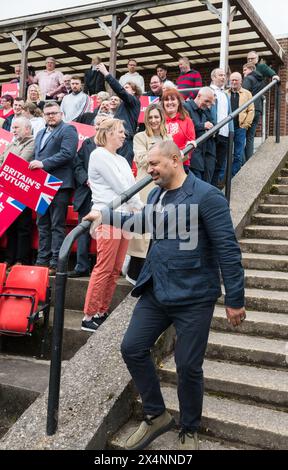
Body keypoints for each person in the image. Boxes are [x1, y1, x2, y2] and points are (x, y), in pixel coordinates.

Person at [83, 140, 245, 450]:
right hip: (157, 289)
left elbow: (227, 248)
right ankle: (156, 415)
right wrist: (106, 215)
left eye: (154, 164)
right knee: (132, 347)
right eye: (147, 165)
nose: (149, 170)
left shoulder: (207, 196)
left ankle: (189, 427)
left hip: (194, 295)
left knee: (187, 366)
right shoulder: (156, 193)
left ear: (175, 159)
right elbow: (144, 222)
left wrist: (235, 299)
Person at [81, 118, 142, 332]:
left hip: (124, 217)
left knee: (116, 269)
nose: (124, 135)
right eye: (120, 131)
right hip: (108, 216)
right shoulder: (98, 154)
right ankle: (89, 315)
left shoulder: (123, 160)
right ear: (107, 133)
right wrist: (139, 207)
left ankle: (102, 311)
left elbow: (132, 185)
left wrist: (137, 207)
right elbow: (121, 187)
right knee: (104, 267)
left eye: (124, 131)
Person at [29, 101, 78, 275]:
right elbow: (36, 155)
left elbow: (67, 154)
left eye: (54, 113)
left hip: (60, 185)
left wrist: (42, 164)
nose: (51, 116)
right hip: (42, 185)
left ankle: (56, 263)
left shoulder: (68, 130)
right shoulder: (40, 132)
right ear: (43, 115)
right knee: (42, 223)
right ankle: (42, 260)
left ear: (61, 113)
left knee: (57, 225)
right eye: (47, 113)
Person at [127, 103, 172, 284]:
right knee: (142, 229)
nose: (154, 120)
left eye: (156, 117)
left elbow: (175, 160)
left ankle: (155, 270)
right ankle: (134, 271)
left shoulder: (168, 137)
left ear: (161, 118)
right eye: (150, 117)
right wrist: (162, 154)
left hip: (164, 186)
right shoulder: (140, 136)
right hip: (145, 186)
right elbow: (142, 160)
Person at [68, 113, 110, 278]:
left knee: (106, 232)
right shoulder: (87, 143)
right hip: (86, 195)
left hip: (107, 195)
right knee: (83, 231)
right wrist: (86, 180)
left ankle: (103, 269)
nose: (99, 127)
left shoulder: (115, 144)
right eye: (97, 124)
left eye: (103, 124)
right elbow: (77, 164)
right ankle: (81, 267)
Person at [0, 117, 34, 267]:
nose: (13, 131)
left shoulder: (32, 142)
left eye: (16, 128)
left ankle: (21, 260)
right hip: (9, 189)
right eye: (12, 128)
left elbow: (20, 162)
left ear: (27, 129)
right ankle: (9, 258)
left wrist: (5, 165)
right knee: (11, 227)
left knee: (23, 227)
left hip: (23, 191)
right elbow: (1, 160)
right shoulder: (13, 143)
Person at [96, 62, 141, 166]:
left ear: (134, 91)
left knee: (122, 172)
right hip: (115, 139)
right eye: (124, 87)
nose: (124, 89)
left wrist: (106, 74)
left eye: (127, 88)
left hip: (125, 141)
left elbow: (120, 91)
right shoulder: (123, 105)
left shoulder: (134, 101)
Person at [223, 72, 254, 177]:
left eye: (236, 80)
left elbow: (251, 110)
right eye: (232, 80)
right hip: (227, 128)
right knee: (225, 153)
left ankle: (233, 177)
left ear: (241, 81)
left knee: (238, 154)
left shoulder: (247, 93)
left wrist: (245, 125)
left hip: (240, 128)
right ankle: (222, 177)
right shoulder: (225, 93)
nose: (234, 82)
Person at [185, 87, 216, 182]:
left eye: (210, 103)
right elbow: (184, 128)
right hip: (193, 157)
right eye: (206, 101)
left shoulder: (204, 110)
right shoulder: (186, 107)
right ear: (198, 96)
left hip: (205, 155)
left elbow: (213, 125)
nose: (208, 105)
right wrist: (203, 126)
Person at [210, 68, 233, 187]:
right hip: (213, 133)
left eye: (224, 75)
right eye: (220, 75)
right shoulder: (208, 91)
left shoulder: (225, 94)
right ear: (213, 77)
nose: (223, 77)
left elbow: (230, 114)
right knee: (210, 164)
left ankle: (214, 188)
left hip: (224, 134)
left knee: (220, 165)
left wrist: (231, 131)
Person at [161, 88, 196, 169]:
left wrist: (177, 155)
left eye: (173, 99)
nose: (170, 102)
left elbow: (191, 143)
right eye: (166, 100)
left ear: (178, 102)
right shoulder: (159, 121)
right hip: (163, 164)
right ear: (163, 103)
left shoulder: (187, 121)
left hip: (182, 163)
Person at [242, 62, 266, 160]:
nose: (243, 72)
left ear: (251, 69)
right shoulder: (261, 80)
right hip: (258, 109)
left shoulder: (248, 79)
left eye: (245, 70)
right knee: (250, 136)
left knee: (241, 135)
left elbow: (243, 93)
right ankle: (249, 160)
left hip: (250, 110)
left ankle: (243, 160)